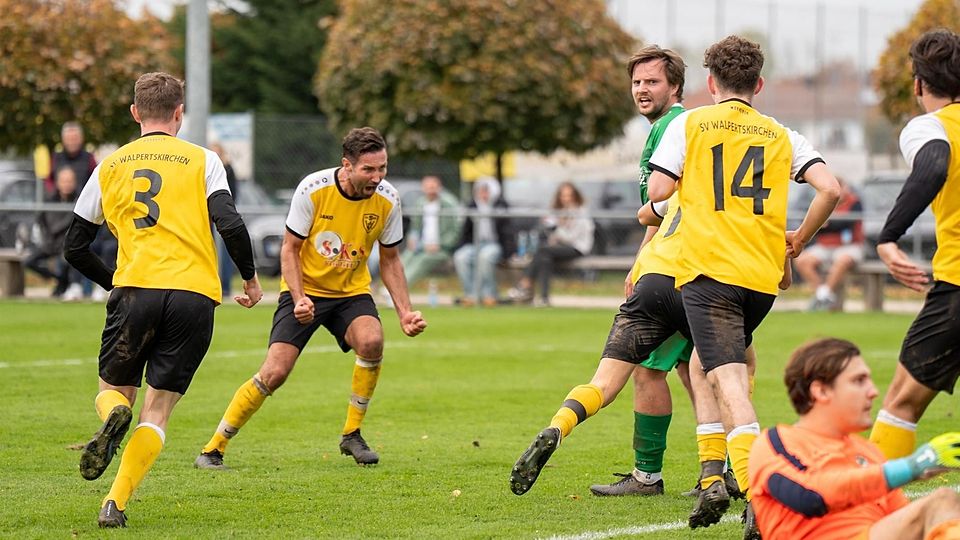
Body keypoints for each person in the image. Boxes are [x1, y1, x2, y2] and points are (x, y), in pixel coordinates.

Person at [647, 35, 841, 537]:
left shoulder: (690, 123)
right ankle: (713, 474)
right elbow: (830, 189)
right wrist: (800, 238)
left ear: (711, 84)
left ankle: (759, 493)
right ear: (759, 84)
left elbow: (660, 189)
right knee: (702, 364)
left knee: (728, 380)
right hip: (761, 279)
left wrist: (684, 180)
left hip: (710, 273)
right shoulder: (782, 134)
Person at [63, 71, 263, 528]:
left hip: (135, 291)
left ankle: (115, 413)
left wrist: (114, 281)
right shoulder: (204, 160)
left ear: (135, 112)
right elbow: (230, 224)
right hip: (194, 296)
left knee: (114, 392)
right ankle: (114, 503)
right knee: (157, 410)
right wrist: (250, 280)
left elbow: (74, 247)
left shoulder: (109, 165)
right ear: (180, 113)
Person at [194, 127, 427, 471]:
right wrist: (299, 297)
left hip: (351, 292)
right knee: (275, 371)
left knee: (372, 341)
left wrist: (404, 312)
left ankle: (352, 433)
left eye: (382, 168)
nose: (377, 177)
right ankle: (213, 449)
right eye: (369, 169)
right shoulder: (314, 189)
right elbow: (290, 249)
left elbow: (390, 259)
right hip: (305, 290)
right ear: (347, 165)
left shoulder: (388, 199)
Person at [589, 44, 697, 498]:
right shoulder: (675, 126)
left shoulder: (671, 127)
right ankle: (726, 470)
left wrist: (646, 262)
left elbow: (662, 204)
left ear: (675, 86)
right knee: (699, 371)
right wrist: (641, 257)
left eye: (652, 81)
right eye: (636, 82)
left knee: (648, 370)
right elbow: (665, 208)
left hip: (677, 270)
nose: (641, 89)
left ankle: (648, 476)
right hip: (697, 266)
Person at [749, 337, 960, 540]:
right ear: (821, 391)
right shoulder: (775, 443)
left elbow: (904, 523)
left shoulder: (868, 452)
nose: (873, 391)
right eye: (859, 381)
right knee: (942, 501)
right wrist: (910, 467)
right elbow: (809, 497)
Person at [868, 29, 960, 463]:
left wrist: (888, 237)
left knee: (901, 403)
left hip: (957, 286)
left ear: (919, 84)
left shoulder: (930, 126)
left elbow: (934, 165)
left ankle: (873, 499)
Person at [508, 181, 594, 306]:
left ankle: (524, 284)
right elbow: (556, 235)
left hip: (578, 247)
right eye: (563, 195)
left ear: (575, 196)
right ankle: (544, 298)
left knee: (542, 250)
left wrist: (555, 228)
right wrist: (551, 227)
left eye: (569, 195)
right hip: (562, 247)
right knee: (545, 258)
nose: (566, 199)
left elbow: (571, 237)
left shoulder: (580, 212)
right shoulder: (561, 211)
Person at [793, 177, 865, 311]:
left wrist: (826, 224)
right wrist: (824, 225)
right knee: (802, 260)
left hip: (848, 246)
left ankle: (824, 295)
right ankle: (823, 295)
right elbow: (811, 225)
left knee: (842, 261)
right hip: (824, 246)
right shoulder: (822, 202)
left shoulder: (854, 202)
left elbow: (845, 224)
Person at [452, 176, 514, 307]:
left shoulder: (500, 205)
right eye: (480, 191)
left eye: (486, 191)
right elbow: (465, 231)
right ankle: (471, 295)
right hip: (474, 244)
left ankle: (489, 295)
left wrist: (509, 254)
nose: (483, 195)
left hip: (494, 244)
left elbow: (507, 232)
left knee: (485, 256)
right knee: (460, 257)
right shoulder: (472, 206)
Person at [25, 166, 82, 299]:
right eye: (64, 181)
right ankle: (58, 279)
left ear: (74, 182)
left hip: (67, 244)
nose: (67, 184)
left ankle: (66, 286)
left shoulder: (79, 201)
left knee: (68, 259)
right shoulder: (49, 200)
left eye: (69, 181)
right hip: (50, 243)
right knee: (28, 261)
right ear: (58, 182)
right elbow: (42, 223)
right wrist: (46, 239)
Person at [400, 175, 461, 289]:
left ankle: (400, 289)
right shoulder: (420, 203)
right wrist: (412, 239)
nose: (430, 191)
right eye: (428, 187)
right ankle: (391, 288)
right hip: (421, 245)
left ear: (439, 188)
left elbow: (455, 231)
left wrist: (440, 244)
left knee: (421, 261)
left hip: (441, 248)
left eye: (433, 187)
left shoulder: (449, 204)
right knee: (402, 261)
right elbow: (415, 227)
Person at [211, 142, 239, 297]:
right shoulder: (209, 167)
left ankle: (226, 286)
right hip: (209, 215)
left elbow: (233, 193)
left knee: (226, 251)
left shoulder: (227, 169)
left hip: (222, 215)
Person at [46, 121, 97, 195]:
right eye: (69, 139)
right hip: (58, 201)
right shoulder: (55, 158)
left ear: (81, 139)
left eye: (75, 138)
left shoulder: (89, 159)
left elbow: (95, 181)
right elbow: (48, 181)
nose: (72, 142)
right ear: (63, 139)